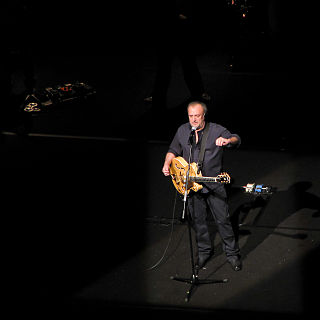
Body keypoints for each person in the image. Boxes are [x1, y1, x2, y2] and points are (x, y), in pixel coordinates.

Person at [162, 101, 242, 271]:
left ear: (204, 115)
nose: (193, 119)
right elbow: (173, 149)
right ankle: (204, 251)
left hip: (213, 184)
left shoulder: (216, 130)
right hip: (191, 185)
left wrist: (227, 140)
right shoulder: (183, 130)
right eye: (190, 116)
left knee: (223, 220)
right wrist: (166, 163)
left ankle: (232, 254)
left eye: (197, 115)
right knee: (198, 221)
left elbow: (237, 139)